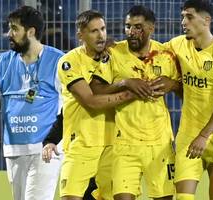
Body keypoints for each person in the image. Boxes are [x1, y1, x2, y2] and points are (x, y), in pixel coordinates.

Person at [90, 5, 181, 200]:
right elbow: (95, 89)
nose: (131, 32)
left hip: (160, 144)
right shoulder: (114, 53)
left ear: (151, 28)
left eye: (138, 27)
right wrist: (125, 83)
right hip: (125, 144)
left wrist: (173, 84)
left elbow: (187, 92)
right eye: (128, 26)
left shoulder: (166, 55)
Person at [57, 10, 147, 200]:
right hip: (81, 143)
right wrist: (129, 91)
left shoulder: (111, 56)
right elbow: (90, 101)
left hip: (112, 143)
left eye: (103, 29)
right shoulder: (69, 62)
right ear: (80, 35)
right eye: (93, 31)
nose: (101, 35)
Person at [0, 6, 64, 200]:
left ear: (31, 32)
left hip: (46, 149)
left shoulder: (58, 61)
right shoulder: (1, 63)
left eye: (14, 29)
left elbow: (70, 106)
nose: (9, 34)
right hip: (14, 149)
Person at [165, 1, 213, 200]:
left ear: (206, 20)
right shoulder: (177, 44)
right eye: (183, 16)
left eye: (189, 17)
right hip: (188, 134)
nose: (183, 22)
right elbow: (150, 53)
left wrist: (204, 136)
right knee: (183, 197)